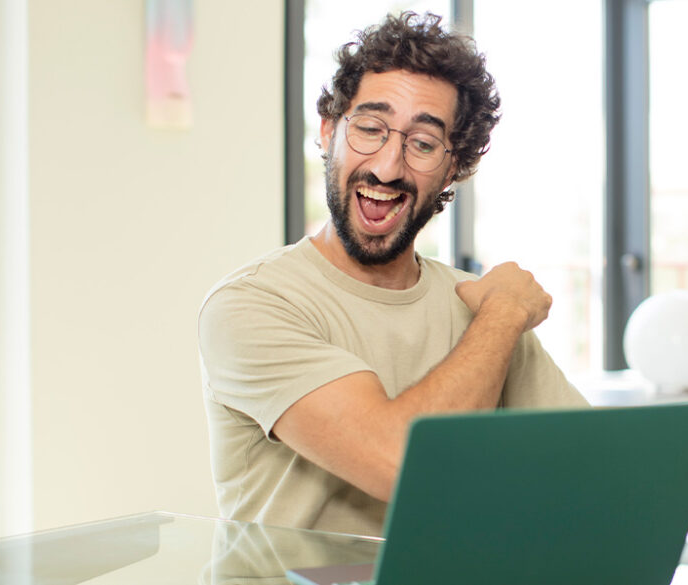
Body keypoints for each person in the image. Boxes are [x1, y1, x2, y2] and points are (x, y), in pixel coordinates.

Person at [197, 11, 587, 537]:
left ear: (454, 167)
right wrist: (502, 316)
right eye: (369, 129)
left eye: (423, 143)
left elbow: (585, 464)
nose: (387, 166)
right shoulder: (252, 305)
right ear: (330, 131)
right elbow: (399, 465)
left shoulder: (474, 303)